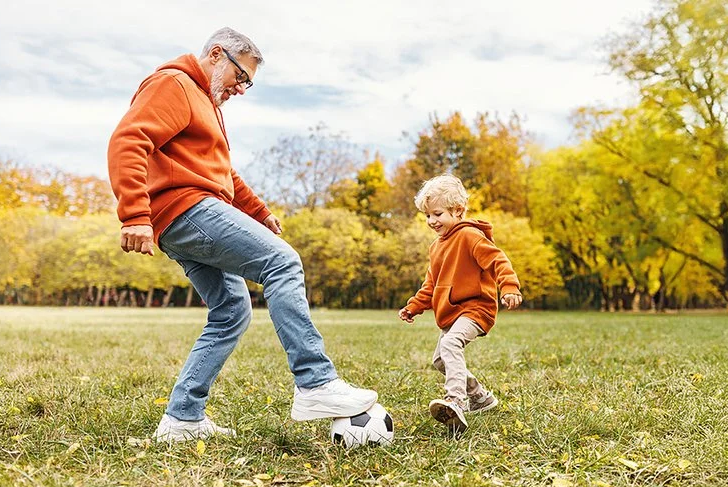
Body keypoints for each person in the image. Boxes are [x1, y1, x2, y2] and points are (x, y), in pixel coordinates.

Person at [107, 27, 377, 443]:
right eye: (242, 77)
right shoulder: (174, 84)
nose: (242, 88)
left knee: (232, 310)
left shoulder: (205, 103)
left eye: (249, 83)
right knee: (282, 262)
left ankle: (182, 419)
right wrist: (134, 215)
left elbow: (221, 172)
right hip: (186, 208)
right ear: (217, 54)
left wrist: (258, 212)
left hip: (188, 212)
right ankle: (316, 383)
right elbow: (129, 140)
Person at [398, 174, 522, 432]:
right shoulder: (436, 247)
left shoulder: (470, 236)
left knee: (451, 344)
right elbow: (430, 285)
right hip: (451, 313)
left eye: (438, 214)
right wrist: (414, 306)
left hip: (476, 309)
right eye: (427, 216)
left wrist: (509, 286)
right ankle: (480, 397)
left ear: (458, 211)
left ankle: (456, 399)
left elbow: (498, 260)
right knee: (440, 360)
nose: (432, 221)